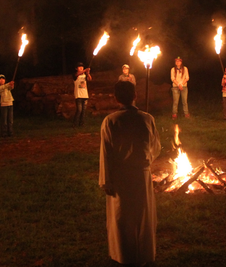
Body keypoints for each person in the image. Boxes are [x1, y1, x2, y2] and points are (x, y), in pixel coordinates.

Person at [99, 81, 161, 266]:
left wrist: (106, 180)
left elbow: (106, 153)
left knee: (123, 217)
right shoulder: (147, 119)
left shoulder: (111, 121)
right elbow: (155, 147)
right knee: (141, 215)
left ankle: (124, 255)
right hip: (140, 175)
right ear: (135, 95)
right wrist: (145, 160)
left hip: (120, 177)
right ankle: (142, 254)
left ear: (116, 98)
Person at [72, 62, 92, 127]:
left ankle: (82, 124)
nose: (81, 68)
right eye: (79, 67)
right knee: (79, 110)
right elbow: (77, 74)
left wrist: (88, 73)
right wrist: (85, 70)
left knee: (83, 111)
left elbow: (90, 79)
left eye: (82, 66)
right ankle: (75, 124)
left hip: (85, 95)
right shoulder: (75, 75)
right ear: (76, 68)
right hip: (78, 95)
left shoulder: (84, 75)